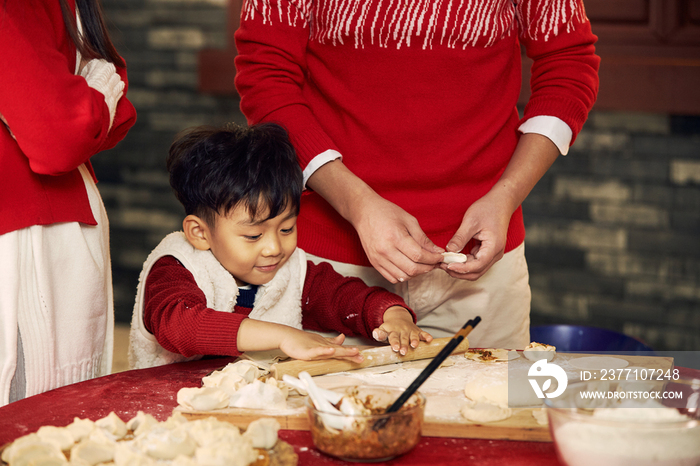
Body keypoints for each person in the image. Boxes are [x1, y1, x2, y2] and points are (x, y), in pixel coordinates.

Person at [233, 0, 600, 348]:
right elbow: (266, 77)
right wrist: (358, 204)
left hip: (484, 268)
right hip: (331, 273)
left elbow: (568, 65)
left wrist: (507, 195)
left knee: (494, 415)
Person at [128, 123, 432, 369]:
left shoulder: (291, 271)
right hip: (170, 414)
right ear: (200, 232)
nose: (274, 247)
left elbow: (343, 297)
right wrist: (285, 336)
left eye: (286, 228)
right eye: (253, 236)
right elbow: (180, 324)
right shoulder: (177, 266)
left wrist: (391, 314)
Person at [0, 0, 136, 406]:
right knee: (37, 424)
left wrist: (83, 106)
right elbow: (59, 133)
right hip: (28, 225)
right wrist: (92, 97)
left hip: (49, 214)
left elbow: (115, 98)